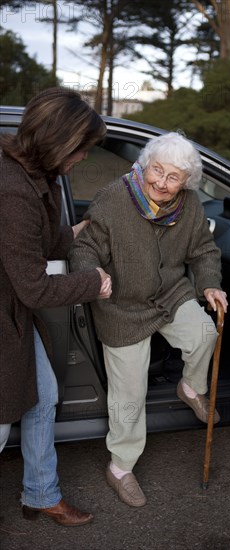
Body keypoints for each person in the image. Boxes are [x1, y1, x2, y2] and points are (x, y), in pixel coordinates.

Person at [68, 131, 228, 508]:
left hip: (169, 294)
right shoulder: (113, 198)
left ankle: (191, 388)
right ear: (144, 165)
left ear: (186, 182)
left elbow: (204, 249)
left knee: (206, 332)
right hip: (122, 306)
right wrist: (95, 275)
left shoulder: (189, 207)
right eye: (157, 170)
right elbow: (83, 247)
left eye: (173, 177)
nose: (161, 182)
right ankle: (121, 467)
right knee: (129, 397)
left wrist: (209, 285)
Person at [0, 87, 112, 526]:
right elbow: (34, 288)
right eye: (82, 149)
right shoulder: (13, 191)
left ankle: (41, 493)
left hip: (12, 316)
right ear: (60, 142)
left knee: (42, 398)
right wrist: (94, 283)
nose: (84, 158)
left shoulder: (29, 175)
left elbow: (33, 245)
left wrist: (76, 229)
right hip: (6, 317)